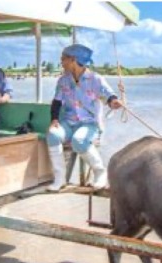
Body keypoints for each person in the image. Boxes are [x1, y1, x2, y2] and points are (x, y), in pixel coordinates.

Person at [46, 44, 121, 191]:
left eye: (63, 59)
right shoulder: (63, 80)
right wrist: (54, 120)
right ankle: (60, 178)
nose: (61, 62)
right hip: (69, 121)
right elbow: (56, 101)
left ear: (73, 60)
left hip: (90, 124)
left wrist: (114, 102)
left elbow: (109, 96)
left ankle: (100, 172)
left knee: (79, 140)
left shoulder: (96, 79)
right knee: (53, 135)